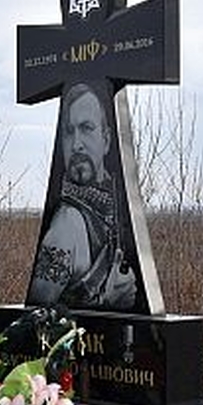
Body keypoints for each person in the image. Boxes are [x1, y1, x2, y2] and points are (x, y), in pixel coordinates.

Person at [28, 80, 137, 309]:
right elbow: (34, 321)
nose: (76, 144)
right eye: (68, 132)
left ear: (106, 139)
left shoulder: (111, 208)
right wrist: (107, 303)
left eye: (86, 128)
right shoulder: (67, 226)